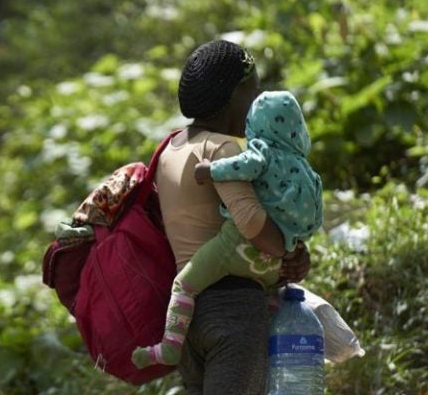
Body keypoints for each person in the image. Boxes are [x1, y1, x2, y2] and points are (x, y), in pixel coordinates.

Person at [131, 39, 311, 394]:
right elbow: (250, 220)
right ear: (234, 95)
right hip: (234, 310)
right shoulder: (222, 150)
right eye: (254, 91)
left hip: (186, 314)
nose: (258, 103)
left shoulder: (170, 148)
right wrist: (287, 249)